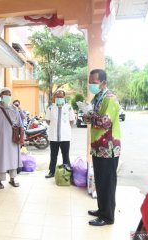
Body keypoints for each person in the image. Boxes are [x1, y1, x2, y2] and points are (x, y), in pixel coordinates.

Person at [82, 69, 121, 226]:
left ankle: (107, 217)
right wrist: (86, 114)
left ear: (103, 83)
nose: (91, 85)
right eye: (90, 82)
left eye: (94, 82)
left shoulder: (110, 99)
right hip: (98, 147)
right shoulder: (98, 97)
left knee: (107, 182)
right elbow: (93, 118)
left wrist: (90, 116)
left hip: (108, 148)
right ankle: (101, 209)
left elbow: (105, 122)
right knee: (100, 180)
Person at [0, 87, 23, 189]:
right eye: (5, 94)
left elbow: (20, 124)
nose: (8, 96)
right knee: (0, 160)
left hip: (13, 140)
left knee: (13, 159)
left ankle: (12, 179)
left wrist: (21, 138)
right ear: (1, 96)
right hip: (0, 141)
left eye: (9, 95)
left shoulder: (15, 109)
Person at [44, 90, 75, 178]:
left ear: (64, 97)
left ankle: (67, 173)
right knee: (53, 155)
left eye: (61, 97)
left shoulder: (68, 108)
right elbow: (47, 120)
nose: (59, 98)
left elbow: (72, 121)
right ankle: (51, 172)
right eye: (57, 97)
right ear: (55, 98)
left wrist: (65, 128)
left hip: (65, 137)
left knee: (66, 155)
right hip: (54, 136)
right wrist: (55, 126)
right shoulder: (51, 108)